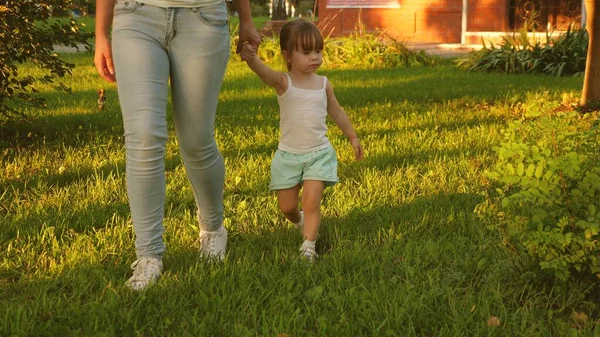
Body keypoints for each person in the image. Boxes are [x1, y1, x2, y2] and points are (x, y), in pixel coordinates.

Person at [94, 0, 261, 290]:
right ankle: (148, 255)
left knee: (197, 141)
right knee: (143, 137)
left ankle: (212, 229)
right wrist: (100, 33)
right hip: (135, 16)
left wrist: (245, 18)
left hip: (204, 17)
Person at [240, 19, 363, 261]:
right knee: (287, 206)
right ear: (288, 56)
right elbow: (263, 72)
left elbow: (336, 111)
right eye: (306, 52)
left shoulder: (323, 84)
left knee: (311, 200)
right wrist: (251, 57)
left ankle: (309, 246)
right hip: (288, 155)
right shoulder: (284, 82)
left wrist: (353, 136)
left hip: (319, 153)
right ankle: (299, 221)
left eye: (318, 51)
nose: (315, 57)